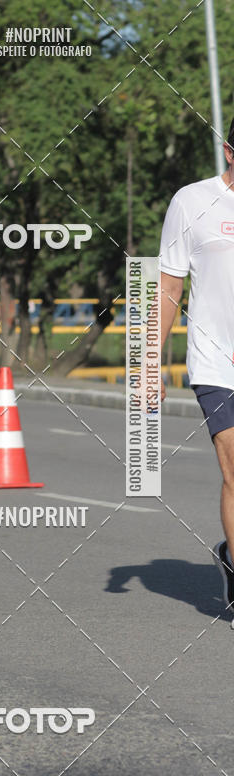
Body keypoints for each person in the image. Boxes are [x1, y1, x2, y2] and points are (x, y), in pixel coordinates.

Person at [159, 118, 234, 625]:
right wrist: (149, 363)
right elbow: (168, 283)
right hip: (216, 360)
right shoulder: (193, 201)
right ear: (230, 151)